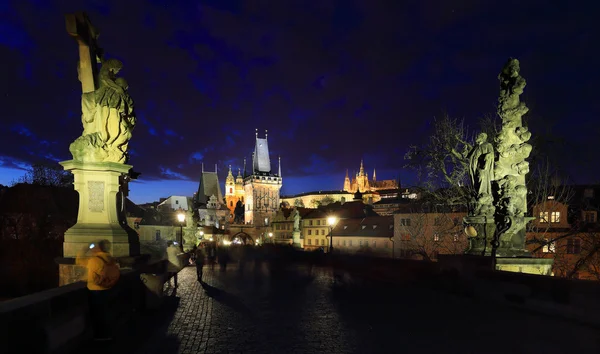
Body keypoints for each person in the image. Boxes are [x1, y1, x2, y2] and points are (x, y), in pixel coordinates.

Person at [86, 240, 120, 341]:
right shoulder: (109, 258)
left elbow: (92, 278)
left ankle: (101, 335)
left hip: (96, 290)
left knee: (98, 314)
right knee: (107, 311)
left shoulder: (94, 260)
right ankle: (109, 333)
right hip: (109, 287)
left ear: (98, 248)